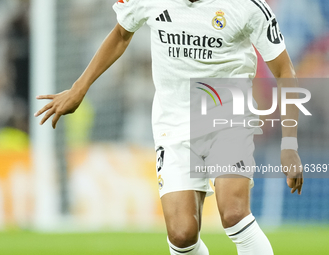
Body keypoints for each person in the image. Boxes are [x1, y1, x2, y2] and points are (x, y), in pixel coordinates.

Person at [35, 0, 303, 254]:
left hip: (228, 119)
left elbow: (284, 71)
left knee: (233, 214)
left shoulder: (248, 6)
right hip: (173, 123)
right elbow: (120, 34)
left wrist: (289, 144)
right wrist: (79, 88)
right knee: (182, 234)